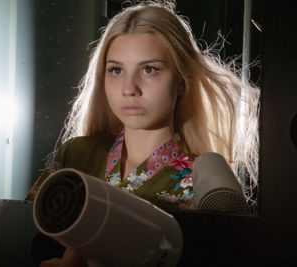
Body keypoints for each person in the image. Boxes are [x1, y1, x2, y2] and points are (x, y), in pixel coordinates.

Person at [28, 0, 260, 265]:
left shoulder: (203, 189)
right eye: (116, 70)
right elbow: (20, 237)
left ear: (181, 82)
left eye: (149, 69)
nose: (129, 88)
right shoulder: (76, 156)